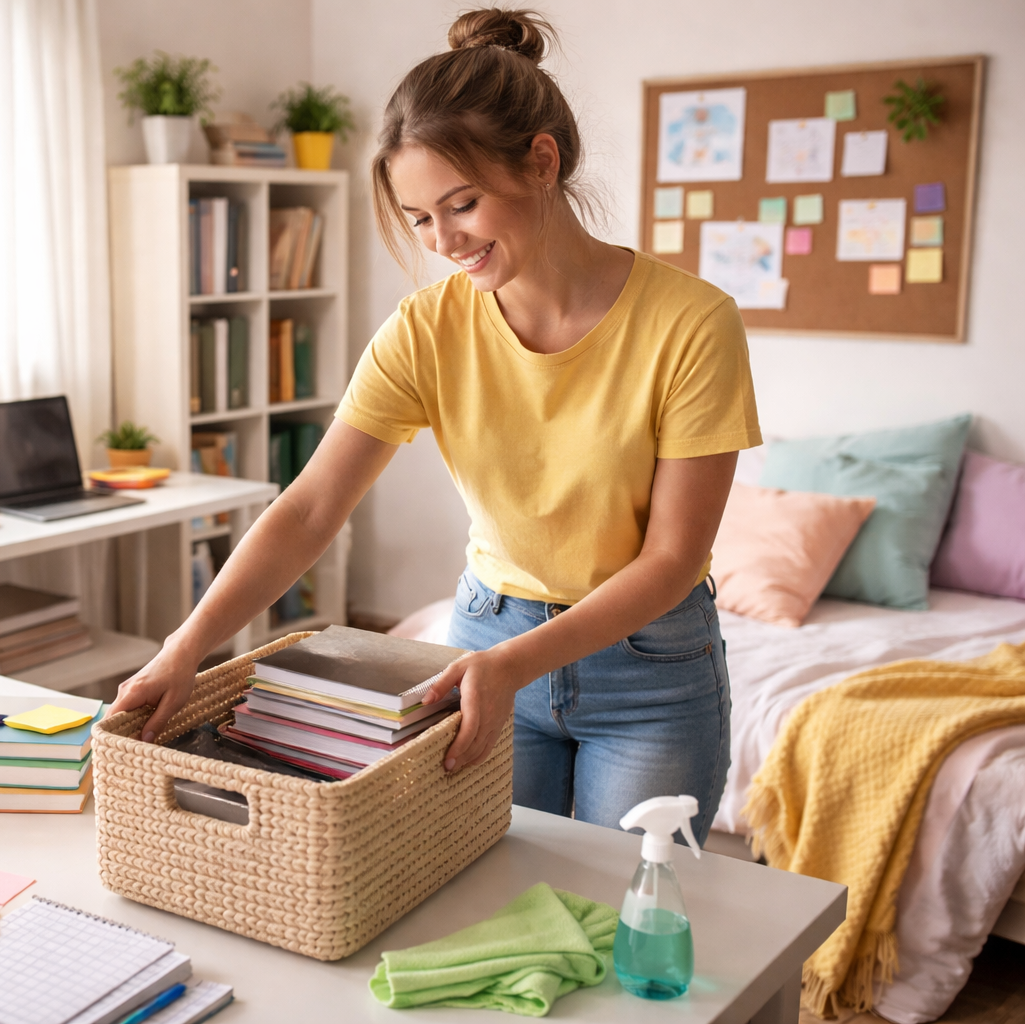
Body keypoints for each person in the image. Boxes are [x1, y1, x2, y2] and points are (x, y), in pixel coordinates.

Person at [110, 7, 760, 844]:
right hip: (488, 641)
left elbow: (672, 559)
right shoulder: (426, 329)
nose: (444, 240)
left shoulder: (692, 322)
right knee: (485, 910)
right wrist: (187, 645)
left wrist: (515, 665)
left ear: (542, 162)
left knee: (625, 932)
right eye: (420, 218)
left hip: (647, 670)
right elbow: (309, 509)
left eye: (463, 204)